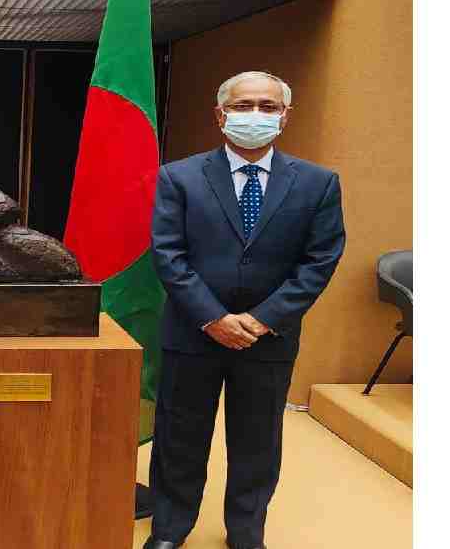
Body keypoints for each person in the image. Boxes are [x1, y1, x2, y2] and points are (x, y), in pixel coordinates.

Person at [144, 71, 346, 549]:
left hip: (268, 338)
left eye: (267, 106)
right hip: (193, 332)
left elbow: (320, 260)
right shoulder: (179, 177)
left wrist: (261, 319)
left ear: (285, 117)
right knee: (179, 436)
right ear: (221, 115)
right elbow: (168, 254)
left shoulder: (318, 183)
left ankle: (246, 531)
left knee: (257, 440)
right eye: (243, 105)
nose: (255, 114)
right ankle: (170, 529)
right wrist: (213, 318)